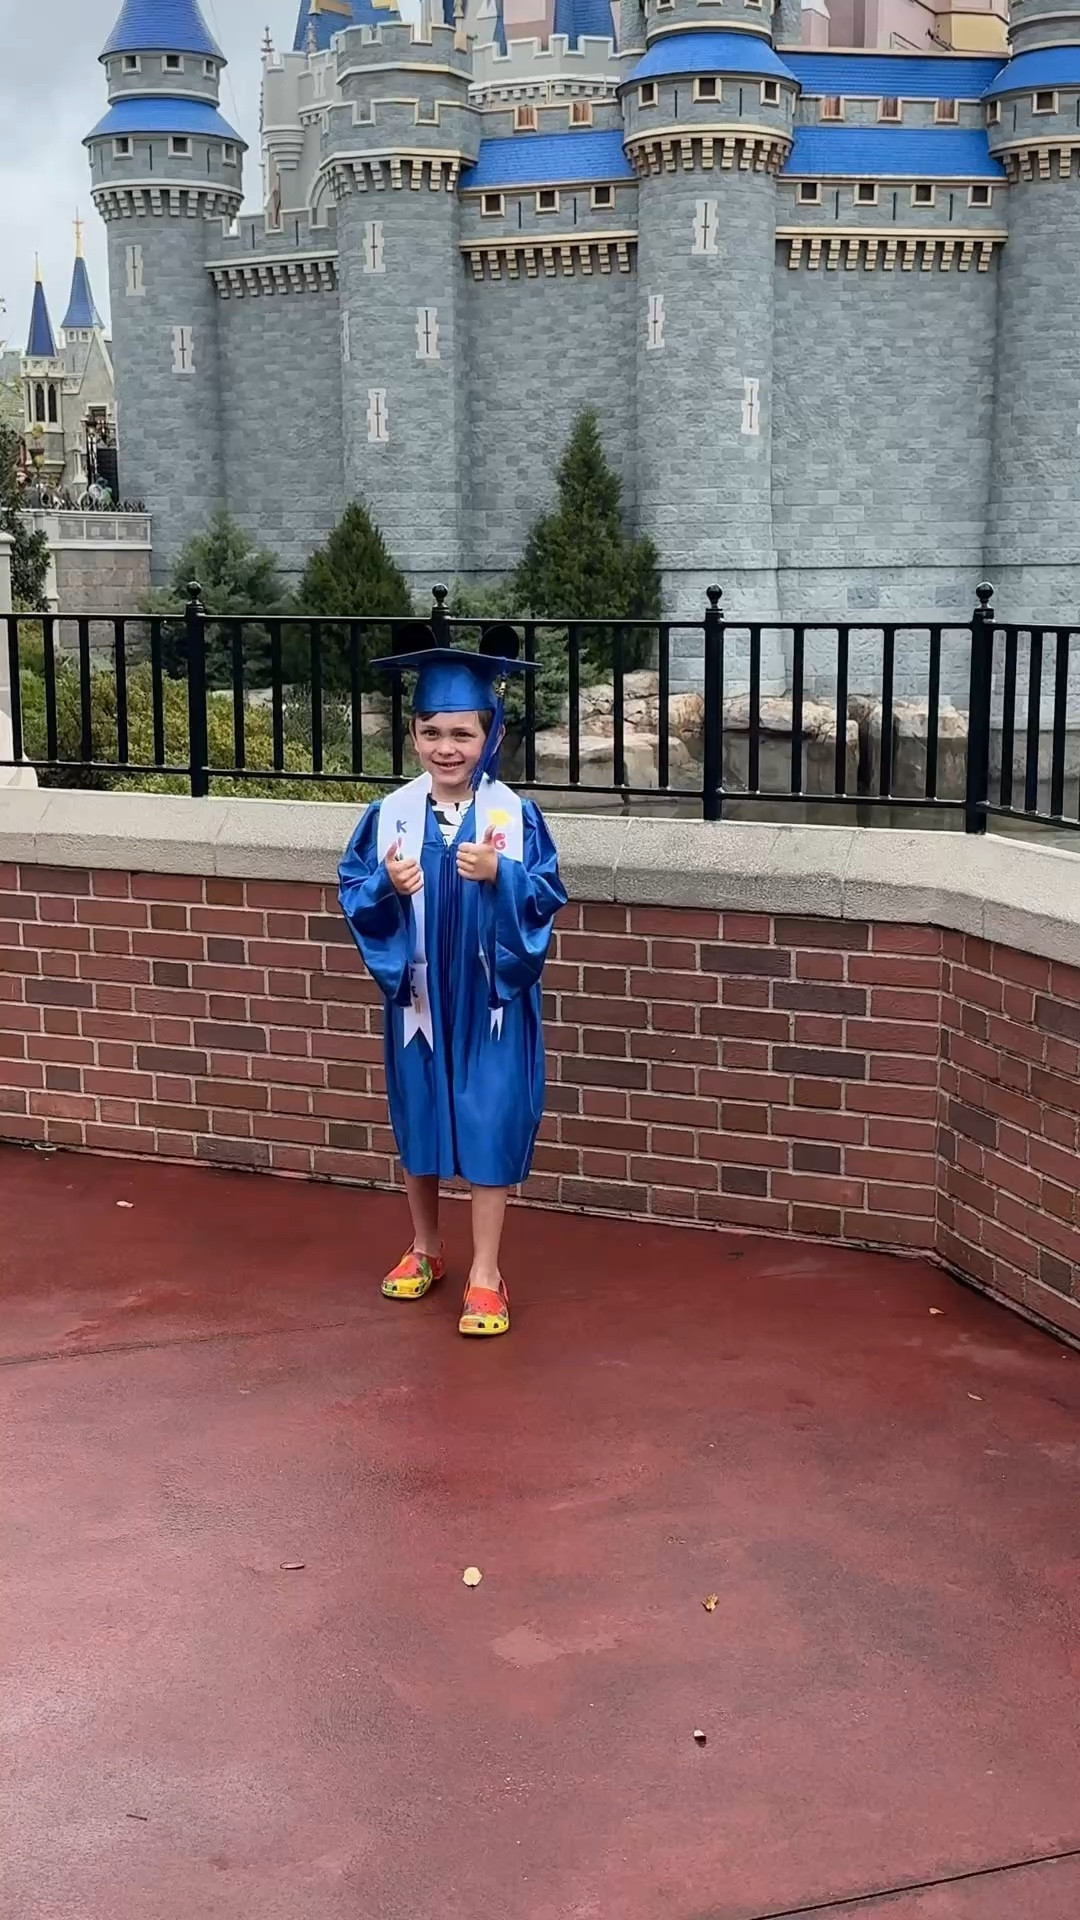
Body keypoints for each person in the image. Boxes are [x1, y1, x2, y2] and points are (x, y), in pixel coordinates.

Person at [338, 627, 566, 1338]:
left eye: (462, 733)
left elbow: (546, 896)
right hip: (421, 999)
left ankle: (487, 1272)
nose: (447, 747)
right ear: (413, 734)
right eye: (432, 731)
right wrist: (383, 883)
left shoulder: (515, 816)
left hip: (491, 1000)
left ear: (489, 733)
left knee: (490, 1120)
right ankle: (428, 1248)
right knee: (422, 1117)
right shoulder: (390, 815)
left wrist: (505, 874)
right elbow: (354, 895)